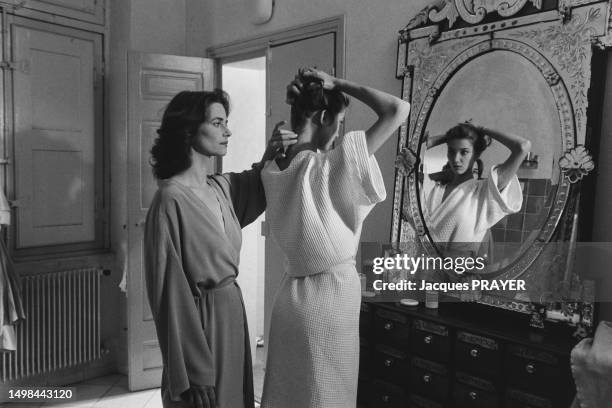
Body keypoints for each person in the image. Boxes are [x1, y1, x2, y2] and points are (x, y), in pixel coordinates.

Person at [260, 68, 411, 408]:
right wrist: (339, 83)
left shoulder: (272, 168)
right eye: (340, 123)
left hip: (290, 301)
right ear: (325, 116)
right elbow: (398, 109)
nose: (340, 132)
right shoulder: (332, 165)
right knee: (328, 396)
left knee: (290, 393)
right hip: (330, 300)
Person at [144, 89, 296, 408]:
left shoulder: (220, 187)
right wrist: (193, 368)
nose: (227, 130)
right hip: (201, 327)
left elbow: (259, 182)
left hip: (231, 317)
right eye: (217, 122)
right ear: (189, 129)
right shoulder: (170, 200)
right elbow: (170, 294)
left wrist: (275, 147)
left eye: (226, 122)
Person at [419, 122, 530, 256]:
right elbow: (415, 149)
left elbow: (522, 147)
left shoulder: (483, 194)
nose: (456, 159)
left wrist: (482, 129)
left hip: (455, 273)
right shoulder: (433, 187)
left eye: (464, 152)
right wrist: (447, 137)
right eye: (452, 151)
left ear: (476, 154)